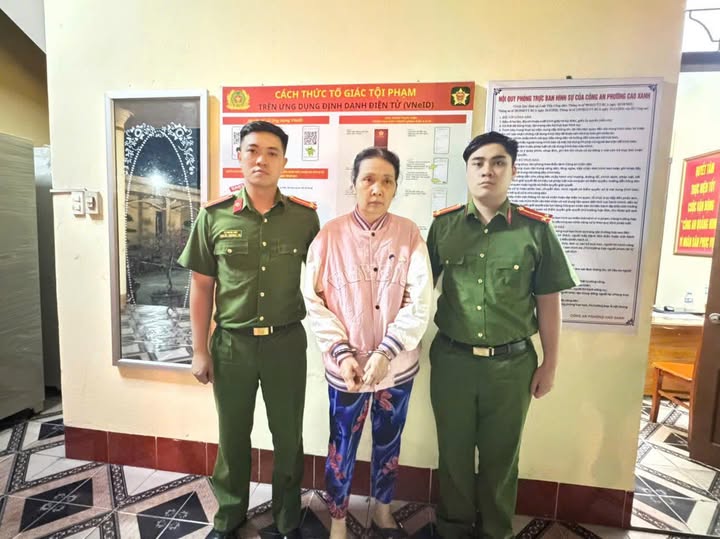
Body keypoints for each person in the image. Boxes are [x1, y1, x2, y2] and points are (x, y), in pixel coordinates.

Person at [426, 131, 579, 539]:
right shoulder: (443, 227)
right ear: (467, 171)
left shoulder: (536, 231)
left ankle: (495, 531)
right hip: (453, 361)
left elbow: (549, 302)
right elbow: (417, 291)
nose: (487, 171)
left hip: (511, 366)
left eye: (498, 162)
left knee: (501, 457)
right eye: (478, 163)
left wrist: (550, 363)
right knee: (453, 453)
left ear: (513, 171)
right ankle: (453, 530)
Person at [178, 121, 320, 539]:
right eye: (253, 150)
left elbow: (324, 281)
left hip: (285, 344)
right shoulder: (214, 216)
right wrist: (199, 350)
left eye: (272, 152)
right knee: (232, 437)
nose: (261, 159)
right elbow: (201, 286)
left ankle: (287, 518)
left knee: (288, 437)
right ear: (239, 157)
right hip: (232, 346)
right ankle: (229, 516)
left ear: (284, 162)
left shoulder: (304, 218)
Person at [302, 147, 433, 539]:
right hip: (347, 368)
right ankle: (339, 519)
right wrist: (342, 353)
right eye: (368, 179)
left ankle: (382, 511)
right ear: (354, 183)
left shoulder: (409, 235)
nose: (377, 188)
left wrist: (387, 350)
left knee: (389, 441)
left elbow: (419, 299)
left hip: (396, 367)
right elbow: (314, 300)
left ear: (395, 187)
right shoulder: (329, 236)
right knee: (341, 444)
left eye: (386, 181)